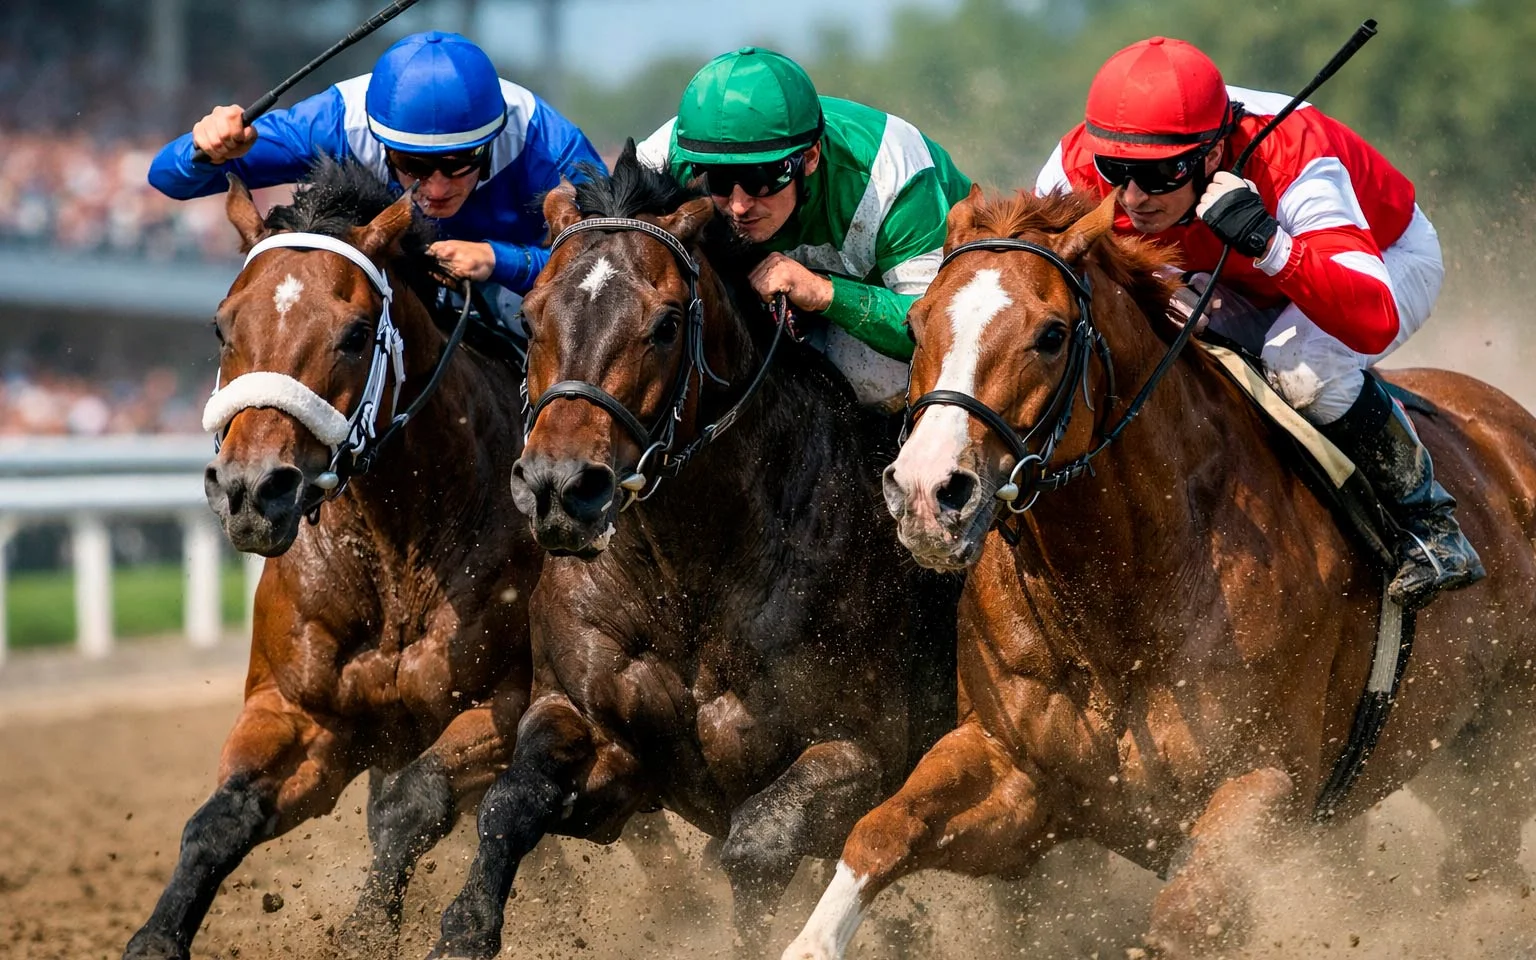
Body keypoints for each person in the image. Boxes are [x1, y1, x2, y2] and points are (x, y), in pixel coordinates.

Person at [1036, 35, 1482, 608]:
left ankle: (1427, 521)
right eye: (1115, 169)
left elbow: (1372, 317)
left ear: (1214, 156)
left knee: (1301, 368)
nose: (1132, 197)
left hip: (1384, 261)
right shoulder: (1074, 163)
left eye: (1160, 175)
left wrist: (1269, 243)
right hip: (1222, 277)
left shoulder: (1296, 156)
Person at [149, 30, 605, 328]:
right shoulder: (329, 124)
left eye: (459, 163)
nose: (438, 187)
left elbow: (608, 271)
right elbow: (169, 178)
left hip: (517, 299)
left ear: (492, 139)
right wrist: (203, 147)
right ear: (380, 141)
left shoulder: (548, 142)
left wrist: (500, 261)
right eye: (415, 167)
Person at [636, 46, 972, 409]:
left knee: (864, 378)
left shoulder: (891, 177)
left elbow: (936, 330)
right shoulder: (665, 158)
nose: (738, 205)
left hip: (904, 297)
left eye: (759, 178)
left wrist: (822, 292)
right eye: (717, 180)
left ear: (809, 157)